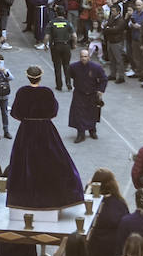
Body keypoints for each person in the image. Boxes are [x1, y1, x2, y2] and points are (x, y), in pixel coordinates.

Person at [6, 66, 84, 211]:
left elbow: (15, 113)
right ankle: (52, 198)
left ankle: (24, 199)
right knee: (52, 160)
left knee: (23, 162)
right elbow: (53, 111)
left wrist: (27, 118)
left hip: (26, 131)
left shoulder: (22, 92)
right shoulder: (47, 92)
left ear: (28, 77)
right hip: (45, 130)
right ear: (40, 77)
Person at [68, 49, 108, 142]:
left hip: (92, 93)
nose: (83, 58)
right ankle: (80, 133)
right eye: (82, 56)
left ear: (89, 57)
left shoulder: (96, 67)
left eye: (85, 56)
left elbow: (104, 79)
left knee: (92, 113)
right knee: (79, 113)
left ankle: (92, 130)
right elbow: (70, 75)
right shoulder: (73, 67)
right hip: (79, 93)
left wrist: (100, 90)